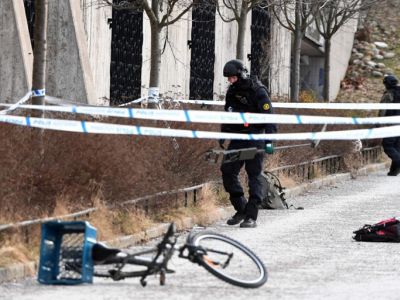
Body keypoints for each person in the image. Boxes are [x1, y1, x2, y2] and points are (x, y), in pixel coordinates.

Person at [219, 59, 277, 228]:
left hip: (254, 138)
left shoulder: (258, 91)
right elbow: (228, 114)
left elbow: (269, 117)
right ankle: (241, 208)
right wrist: (223, 134)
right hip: (237, 138)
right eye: (228, 78)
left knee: (254, 175)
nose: (230, 81)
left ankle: (251, 216)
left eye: (232, 78)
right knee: (227, 170)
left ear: (241, 74)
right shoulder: (232, 91)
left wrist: (269, 141)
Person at [379, 75, 400, 176]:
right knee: (397, 147)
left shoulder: (388, 94)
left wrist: (378, 123)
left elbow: (383, 110)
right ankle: (394, 171)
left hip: (392, 124)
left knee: (388, 145)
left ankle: (398, 163)